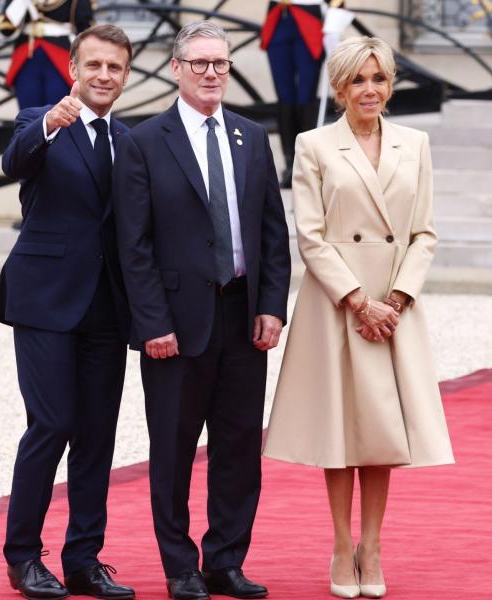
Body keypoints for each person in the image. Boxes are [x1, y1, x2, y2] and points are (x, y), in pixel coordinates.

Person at [262, 36, 454, 599]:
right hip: (336, 305)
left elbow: (424, 232)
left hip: (394, 307)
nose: (370, 90)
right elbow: (311, 236)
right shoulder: (314, 144)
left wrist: (394, 301)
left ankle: (373, 546)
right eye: (359, 80)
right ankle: (342, 546)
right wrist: (356, 300)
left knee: (381, 430)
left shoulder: (414, 143)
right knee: (339, 430)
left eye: (380, 79)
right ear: (339, 86)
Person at [113, 20, 292, 600]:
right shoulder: (143, 141)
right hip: (175, 324)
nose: (212, 73)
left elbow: (271, 230)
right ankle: (180, 567)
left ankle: (225, 561)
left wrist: (272, 305)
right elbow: (132, 245)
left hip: (242, 316)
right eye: (200, 64)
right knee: (172, 451)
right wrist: (151, 324)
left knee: (239, 448)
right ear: (176, 69)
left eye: (221, 63)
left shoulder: (249, 135)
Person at [0, 24, 136, 600]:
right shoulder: (40, 120)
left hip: (107, 305)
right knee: (51, 425)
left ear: (126, 76)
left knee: (97, 435)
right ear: (74, 68)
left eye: (114, 67)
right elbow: (13, 163)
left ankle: (83, 559)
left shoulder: (129, 138)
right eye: (93, 65)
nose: (103, 76)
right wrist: (50, 123)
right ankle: (23, 556)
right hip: (45, 297)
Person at [261, 0, 349, 188]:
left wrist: (334, 19)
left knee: (305, 94)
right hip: (279, 16)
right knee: (284, 96)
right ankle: (289, 164)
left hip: (309, 16)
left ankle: (306, 163)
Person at [0, 0, 95, 109]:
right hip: (28, 55)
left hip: (60, 55)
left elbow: (85, 29)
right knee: (28, 110)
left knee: (58, 109)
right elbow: (6, 29)